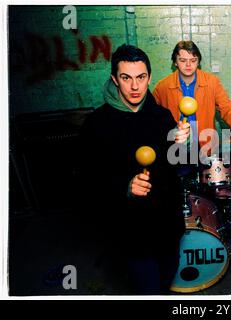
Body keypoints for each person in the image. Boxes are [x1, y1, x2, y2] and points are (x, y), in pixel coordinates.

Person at [77, 44, 189, 294]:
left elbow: (178, 167)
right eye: (126, 78)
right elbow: (86, 181)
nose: (135, 87)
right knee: (147, 289)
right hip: (131, 231)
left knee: (166, 279)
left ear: (149, 77)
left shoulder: (163, 116)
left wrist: (181, 144)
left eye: (141, 77)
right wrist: (124, 187)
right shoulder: (96, 124)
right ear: (114, 79)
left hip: (167, 225)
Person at [153, 40, 231, 151]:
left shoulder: (212, 82)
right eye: (183, 60)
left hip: (205, 144)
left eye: (193, 60)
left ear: (198, 62)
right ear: (175, 62)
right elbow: (152, 118)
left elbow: (226, 107)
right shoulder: (162, 87)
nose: (188, 65)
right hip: (175, 146)